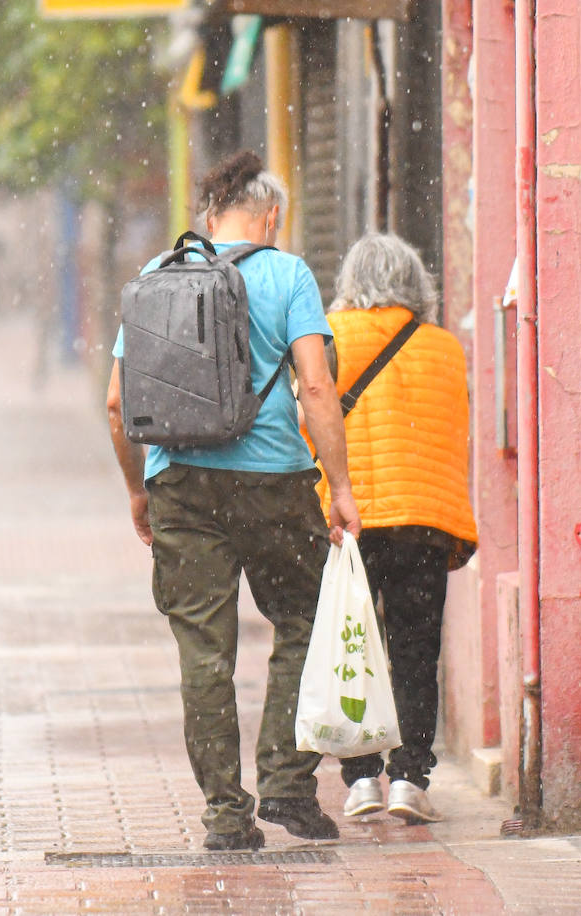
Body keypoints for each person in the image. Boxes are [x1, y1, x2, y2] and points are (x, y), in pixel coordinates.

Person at [106, 151, 361, 851]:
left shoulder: (158, 276)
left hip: (179, 484)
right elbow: (315, 387)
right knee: (305, 619)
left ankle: (226, 814)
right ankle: (285, 782)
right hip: (275, 484)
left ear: (209, 215)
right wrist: (338, 487)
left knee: (204, 652)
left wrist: (139, 490)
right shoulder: (287, 274)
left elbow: (115, 401)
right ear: (272, 213)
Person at [320, 233, 478, 824]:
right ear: (416, 283)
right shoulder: (444, 348)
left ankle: (361, 780)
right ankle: (411, 779)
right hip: (424, 522)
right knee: (415, 650)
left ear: (351, 279)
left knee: (354, 648)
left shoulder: (331, 340)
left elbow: (310, 420)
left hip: (352, 521)